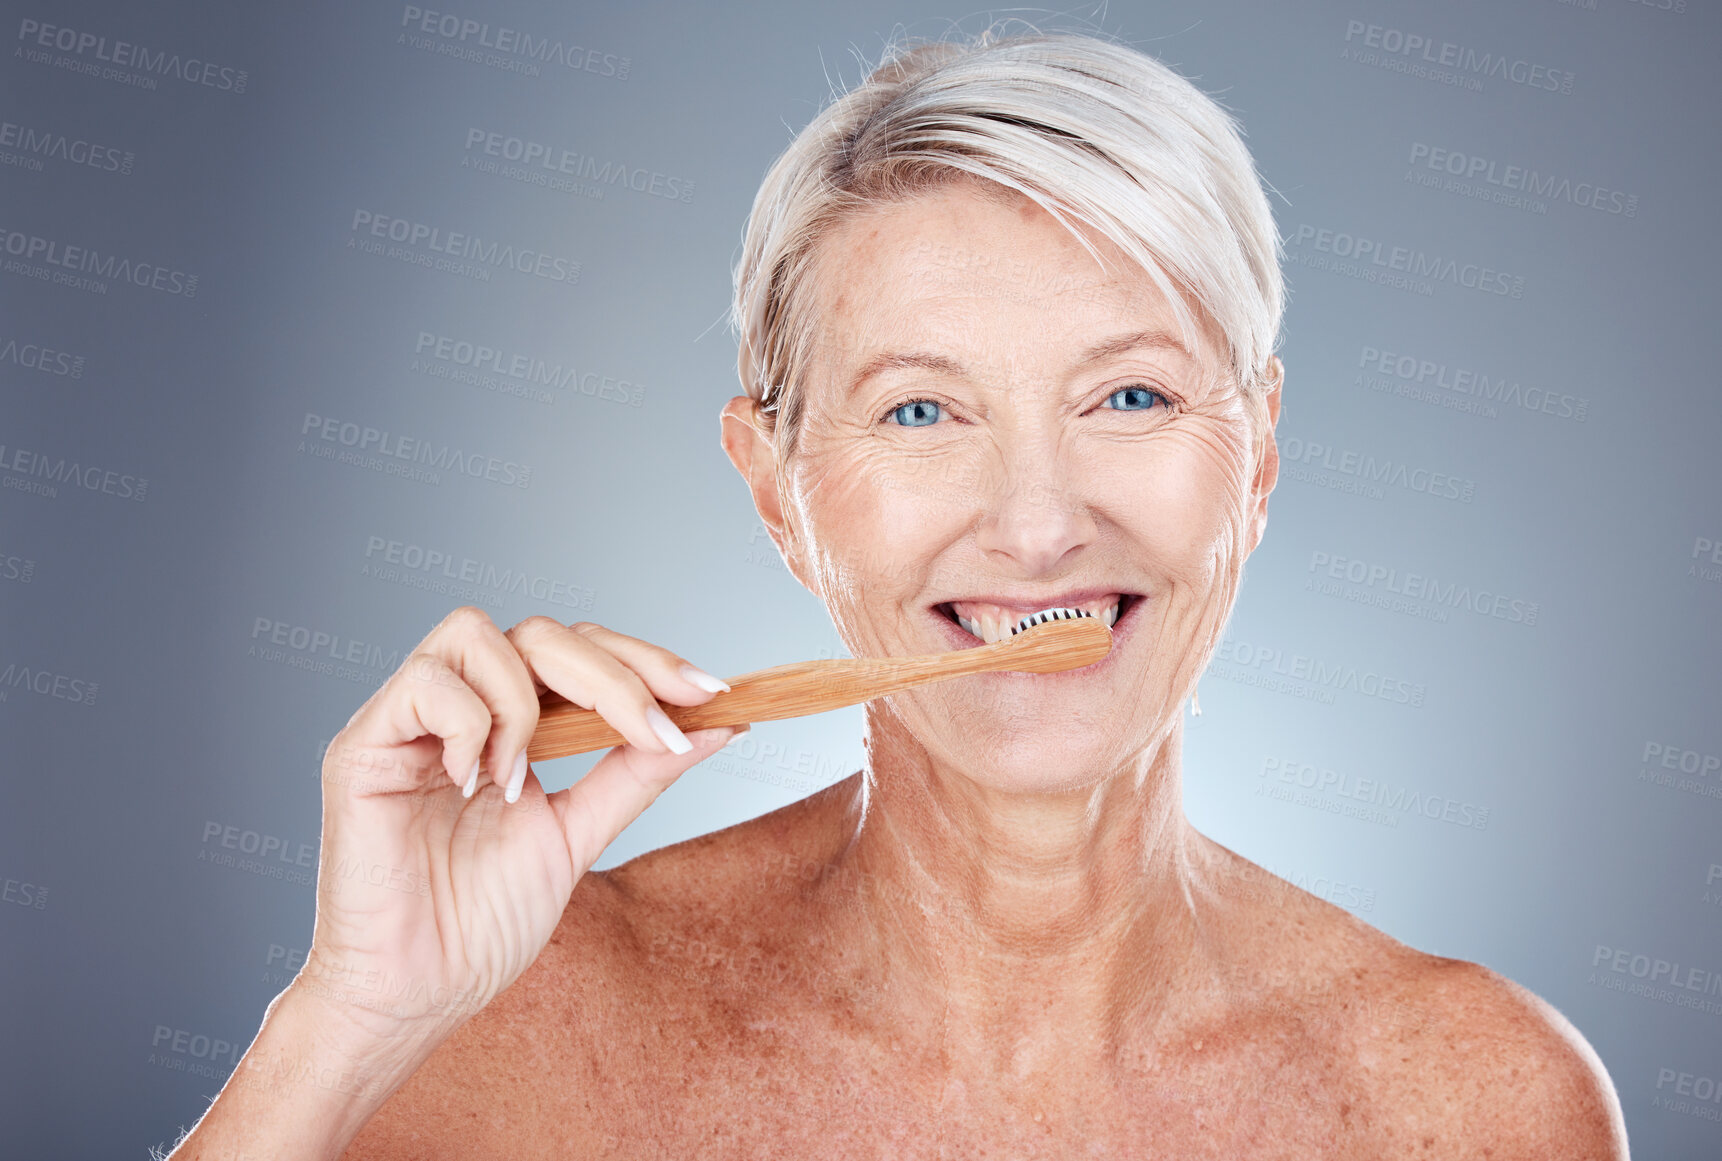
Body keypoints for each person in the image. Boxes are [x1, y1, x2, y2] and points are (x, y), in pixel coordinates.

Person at [167, 27, 1629, 1158]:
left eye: (1128, 393)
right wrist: (344, 1024)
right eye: (922, 412)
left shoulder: (1472, 1097)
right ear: (772, 488)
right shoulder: (512, 1027)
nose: (1041, 522)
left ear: (1255, 460)